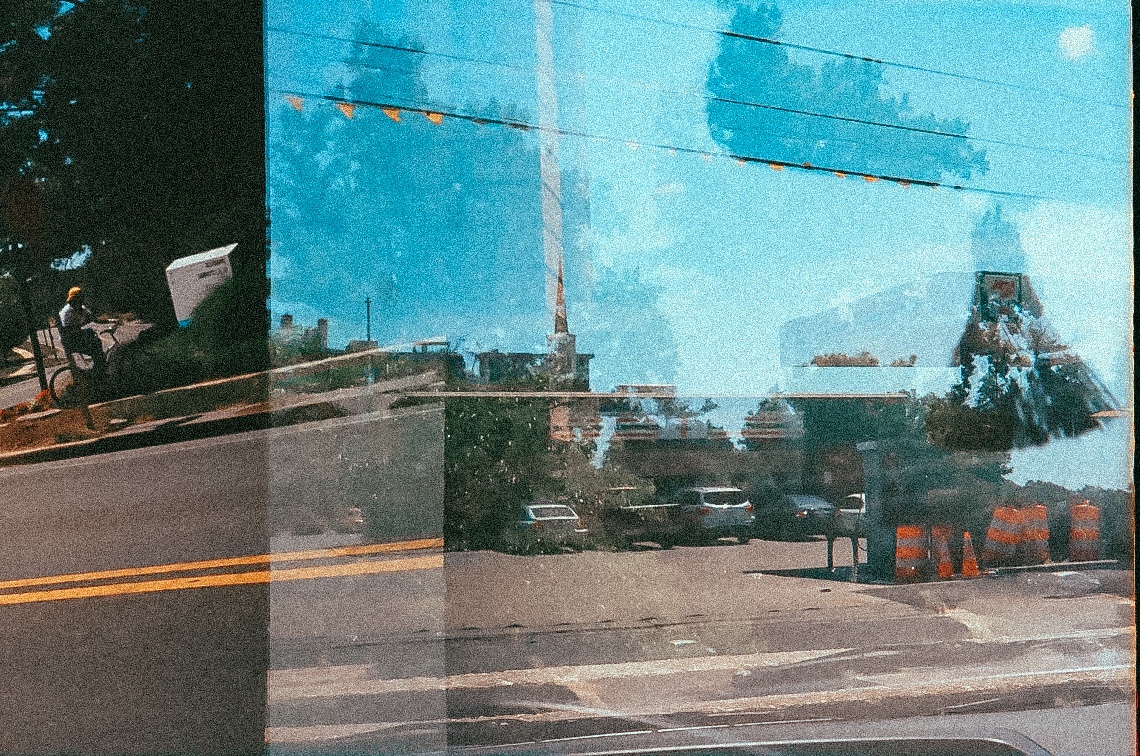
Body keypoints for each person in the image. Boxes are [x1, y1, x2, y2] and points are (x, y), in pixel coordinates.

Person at [58, 286, 107, 375]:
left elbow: (94, 319)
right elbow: (67, 330)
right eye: (77, 299)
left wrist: (111, 321)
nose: (79, 301)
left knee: (96, 342)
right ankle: (97, 372)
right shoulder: (66, 312)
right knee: (95, 348)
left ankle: (98, 368)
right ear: (72, 300)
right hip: (69, 340)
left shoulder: (82, 308)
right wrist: (83, 328)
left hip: (77, 336)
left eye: (80, 299)